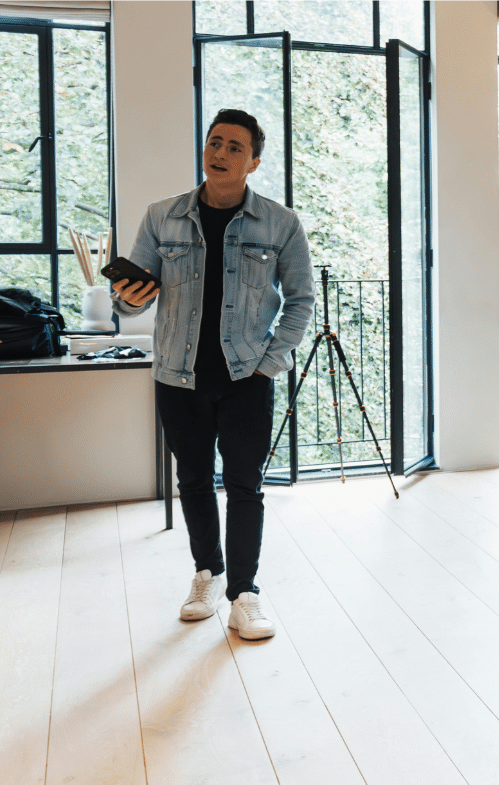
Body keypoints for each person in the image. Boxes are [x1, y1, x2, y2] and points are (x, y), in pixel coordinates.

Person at [109, 109, 314, 641]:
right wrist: (127, 300)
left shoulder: (281, 223)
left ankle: (244, 593)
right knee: (193, 480)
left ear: (254, 161)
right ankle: (207, 573)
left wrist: (271, 362)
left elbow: (301, 302)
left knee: (245, 485)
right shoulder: (162, 217)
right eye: (214, 142)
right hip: (176, 375)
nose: (220, 154)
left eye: (234, 148)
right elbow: (132, 301)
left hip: (247, 376)